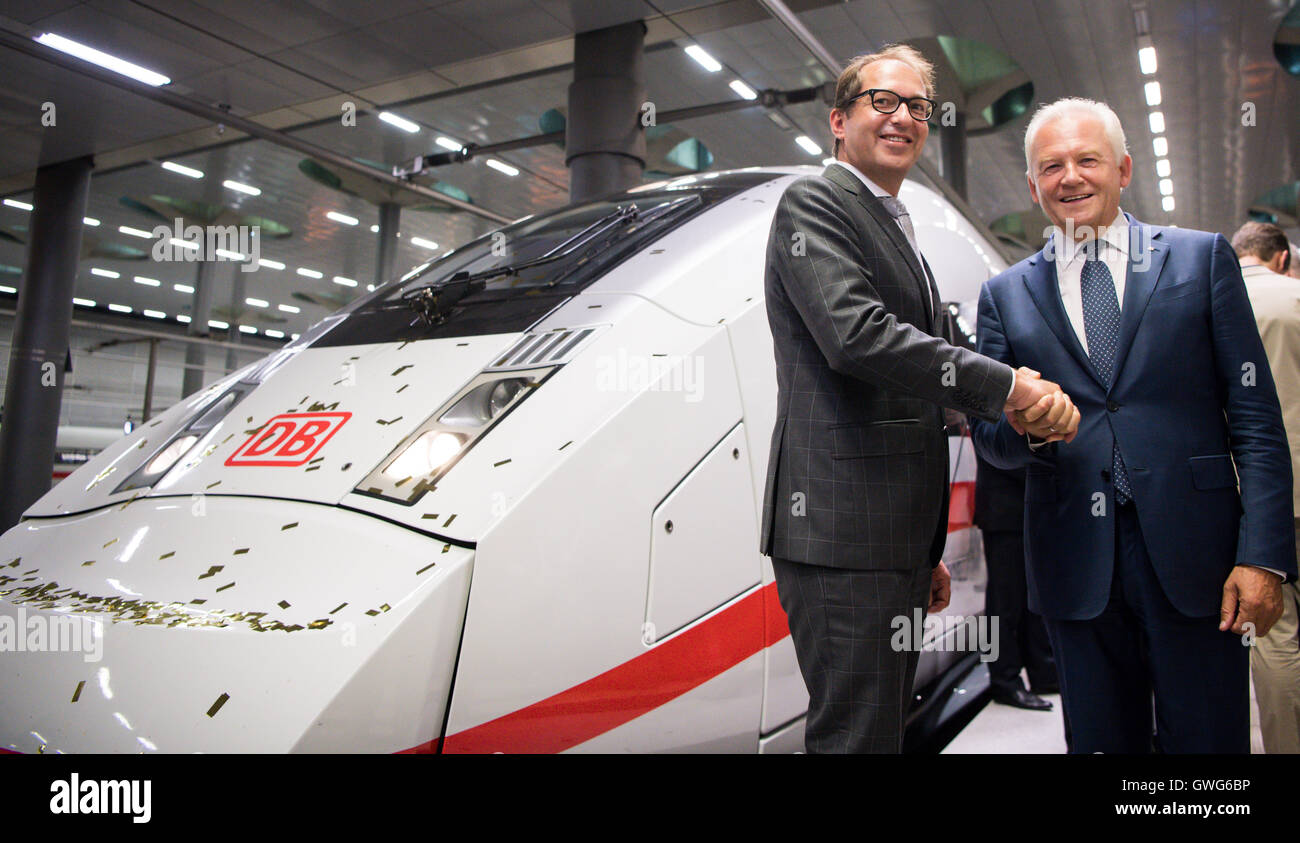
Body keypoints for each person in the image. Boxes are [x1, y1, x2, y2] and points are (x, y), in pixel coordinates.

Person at [759, 44, 1065, 753]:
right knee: (856, 736)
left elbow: (940, 386)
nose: (903, 117)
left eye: (918, 107)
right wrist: (1012, 388)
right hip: (842, 538)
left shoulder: (897, 229)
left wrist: (925, 548)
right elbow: (856, 338)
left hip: (884, 540)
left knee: (878, 731)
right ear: (838, 119)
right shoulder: (815, 203)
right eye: (882, 101)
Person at [970, 97, 1295, 753]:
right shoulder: (1005, 294)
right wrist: (1028, 424)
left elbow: (1256, 421)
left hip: (1198, 558)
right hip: (1076, 566)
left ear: (1122, 168)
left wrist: (1263, 556)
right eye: (1051, 166)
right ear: (1033, 186)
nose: (1071, 177)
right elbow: (992, 442)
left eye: (1087, 159)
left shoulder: (1200, 260)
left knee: (1206, 748)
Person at [1232, 220, 1300, 753]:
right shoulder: (1296, 297)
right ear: (1281, 258)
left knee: (1274, 635)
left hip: (1251, 499)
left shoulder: (1210, 307)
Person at [973, 453, 1058, 711]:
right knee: (1002, 604)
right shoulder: (991, 412)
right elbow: (997, 448)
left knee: (1035, 597)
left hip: (1027, 506)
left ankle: (1044, 673)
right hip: (1003, 507)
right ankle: (1004, 682)